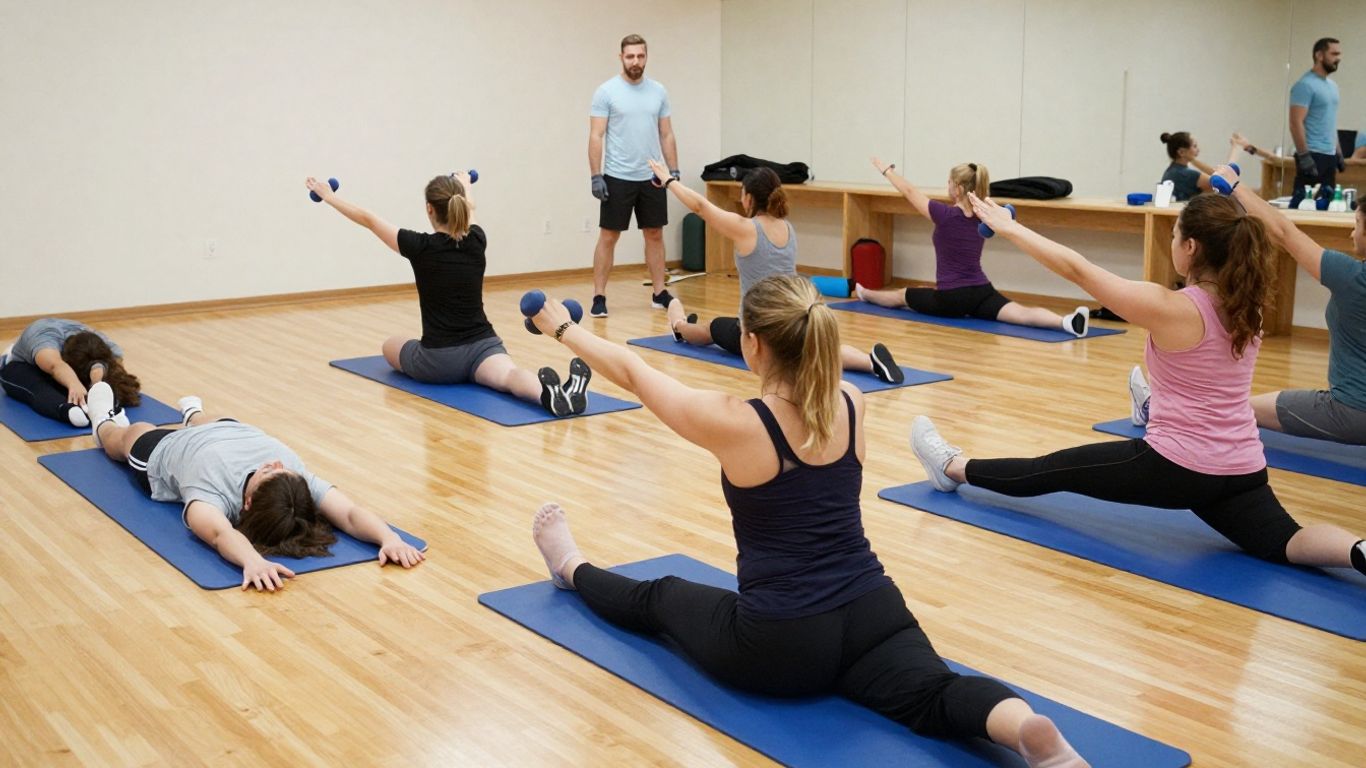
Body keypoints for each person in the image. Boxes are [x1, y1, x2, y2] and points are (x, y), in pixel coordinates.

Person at [524, 274, 1089, 767]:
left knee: (662, 596)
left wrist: (560, 329)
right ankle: (1018, 725)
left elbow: (633, 372)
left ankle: (569, 565)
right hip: (876, 613)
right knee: (936, 692)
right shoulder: (850, 399)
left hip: (779, 641)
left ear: (753, 344)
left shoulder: (736, 423)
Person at [910, 191, 1366, 577]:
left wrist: (1009, 230)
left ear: (1190, 247)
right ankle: (1357, 551)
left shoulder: (1173, 307)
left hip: (1176, 467)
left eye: (1173, 235)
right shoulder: (1250, 307)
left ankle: (951, 467)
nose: (1171, 242)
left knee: (1052, 468)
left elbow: (1078, 270)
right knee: (1287, 539)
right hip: (1242, 469)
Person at [85, 382, 425, 591]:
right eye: (277, 470)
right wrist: (388, 538)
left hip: (166, 452)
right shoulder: (293, 477)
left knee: (127, 436)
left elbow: (220, 534)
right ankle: (192, 414)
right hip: (231, 429)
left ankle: (102, 423)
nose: (276, 465)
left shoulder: (211, 493)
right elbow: (348, 513)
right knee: (213, 420)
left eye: (269, 473)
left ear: (245, 504)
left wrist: (252, 561)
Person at [306, 173, 589, 417]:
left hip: (438, 360)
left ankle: (552, 394)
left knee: (390, 346)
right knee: (509, 376)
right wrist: (465, 183)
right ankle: (547, 395)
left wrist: (328, 196)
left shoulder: (419, 246)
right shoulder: (477, 241)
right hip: (483, 347)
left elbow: (369, 219)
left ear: (430, 209)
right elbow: (472, 211)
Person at [648, 160, 904, 383]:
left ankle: (679, 326)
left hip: (756, 328)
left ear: (748, 198)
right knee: (811, 350)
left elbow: (701, 207)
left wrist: (669, 180)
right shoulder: (787, 228)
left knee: (711, 329)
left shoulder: (747, 228)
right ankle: (870, 362)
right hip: (792, 321)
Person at [855, 158, 1089, 337]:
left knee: (902, 295)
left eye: (948, 182)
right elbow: (1009, 213)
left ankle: (865, 293)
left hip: (951, 299)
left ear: (957, 188)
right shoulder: (984, 215)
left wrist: (887, 170)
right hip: (981, 291)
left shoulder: (944, 214)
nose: (946, 186)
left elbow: (909, 192)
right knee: (1020, 313)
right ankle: (1066, 322)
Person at [588, 33, 679, 318]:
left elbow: (666, 133)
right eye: (630, 56)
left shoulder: (658, 91)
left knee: (654, 234)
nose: (636, 61)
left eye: (640, 56)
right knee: (609, 236)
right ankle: (599, 296)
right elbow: (596, 135)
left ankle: (659, 292)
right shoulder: (606, 92)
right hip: (617, 175)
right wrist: (596, 175)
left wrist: (672, 171)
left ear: (646, 57)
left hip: (652, 175)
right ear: (621, 57)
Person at [0, 319, 140, 427]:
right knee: (39, 385)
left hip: (68, 364)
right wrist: (74, 383)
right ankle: (67, 411)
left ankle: (105, 410)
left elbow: (109, 369)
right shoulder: (44, 342)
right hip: (22, 365)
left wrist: (98, 385)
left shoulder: (111, 349)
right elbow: (56, 366)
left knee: (109, 381)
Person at [1289, 38, 1344, 208]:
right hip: (1312, 155)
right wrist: (1304, 155)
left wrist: (1339, 153)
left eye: (1339, 54)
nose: (1338, 58)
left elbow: (1329, 122)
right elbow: (1295, 122)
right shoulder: (1305, 85)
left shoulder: (1333, 86)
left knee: (1327, 206)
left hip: (1329, 155)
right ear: (1319, 55)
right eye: (1334, 53)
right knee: (1304, 205)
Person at [1158, 131, 1240, 201]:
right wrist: (1235, 147)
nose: (1198, 149)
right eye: (1194, 146)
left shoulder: (1172, 171)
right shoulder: (1186, 174)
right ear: (1181, 152)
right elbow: (1224, 179)